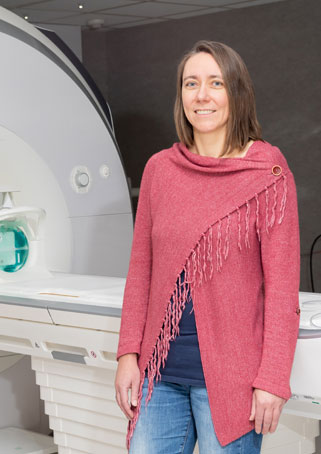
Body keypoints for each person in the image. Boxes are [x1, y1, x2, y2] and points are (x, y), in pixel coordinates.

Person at [114, 40, 300, 454]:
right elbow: (140, 271)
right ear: (180, 96)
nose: (201, 95)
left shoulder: (267, 173)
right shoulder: (161, 169)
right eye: (190, 83)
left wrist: (273, 378)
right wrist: (128, 353)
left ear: (236, 92)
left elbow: (283, 290)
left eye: (215, 83)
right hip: (158, 374)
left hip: (231, 377)